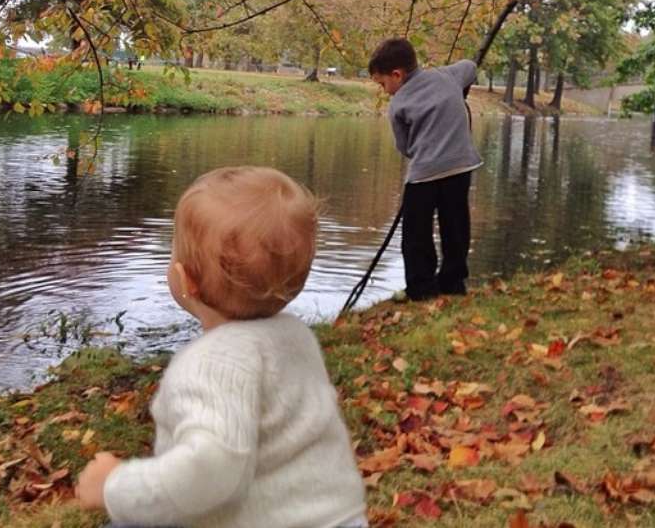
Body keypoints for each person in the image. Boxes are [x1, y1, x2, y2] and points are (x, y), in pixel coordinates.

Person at [75, 167, 367, 528]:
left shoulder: (210, 364)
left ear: (185, 280)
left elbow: (211, 468)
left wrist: (115, 486)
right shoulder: (297, 339)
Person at [369, 38, 482, 301]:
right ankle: (453, 283)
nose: (385, 90)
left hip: (424, 174)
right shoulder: (447, 76)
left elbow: (405, 146)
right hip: (460, 167)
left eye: (383, 83)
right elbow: (470, 67)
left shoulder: (398, 104)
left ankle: (422, 288)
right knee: (455, 226)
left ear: (397, 74)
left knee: (416, 233)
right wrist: (460, 85)